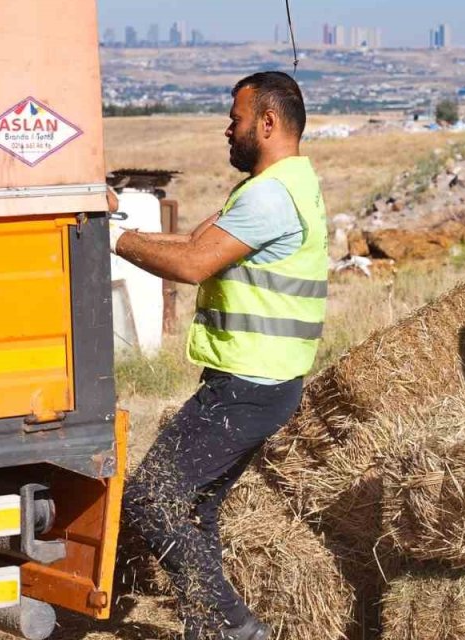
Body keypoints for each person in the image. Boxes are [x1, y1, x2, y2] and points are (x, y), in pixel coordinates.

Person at [111, 71, 327, 640]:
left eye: (235, 118)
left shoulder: (272, 197)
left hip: (250, 384)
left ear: (269, 122)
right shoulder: (278, 187)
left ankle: (231, 625)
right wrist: (116, 219)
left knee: (152, 499)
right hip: (258, 380)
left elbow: (190, 266)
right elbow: (194, 242)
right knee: (195, 507)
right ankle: (209, 629)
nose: (226, 129)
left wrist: (111, 241)